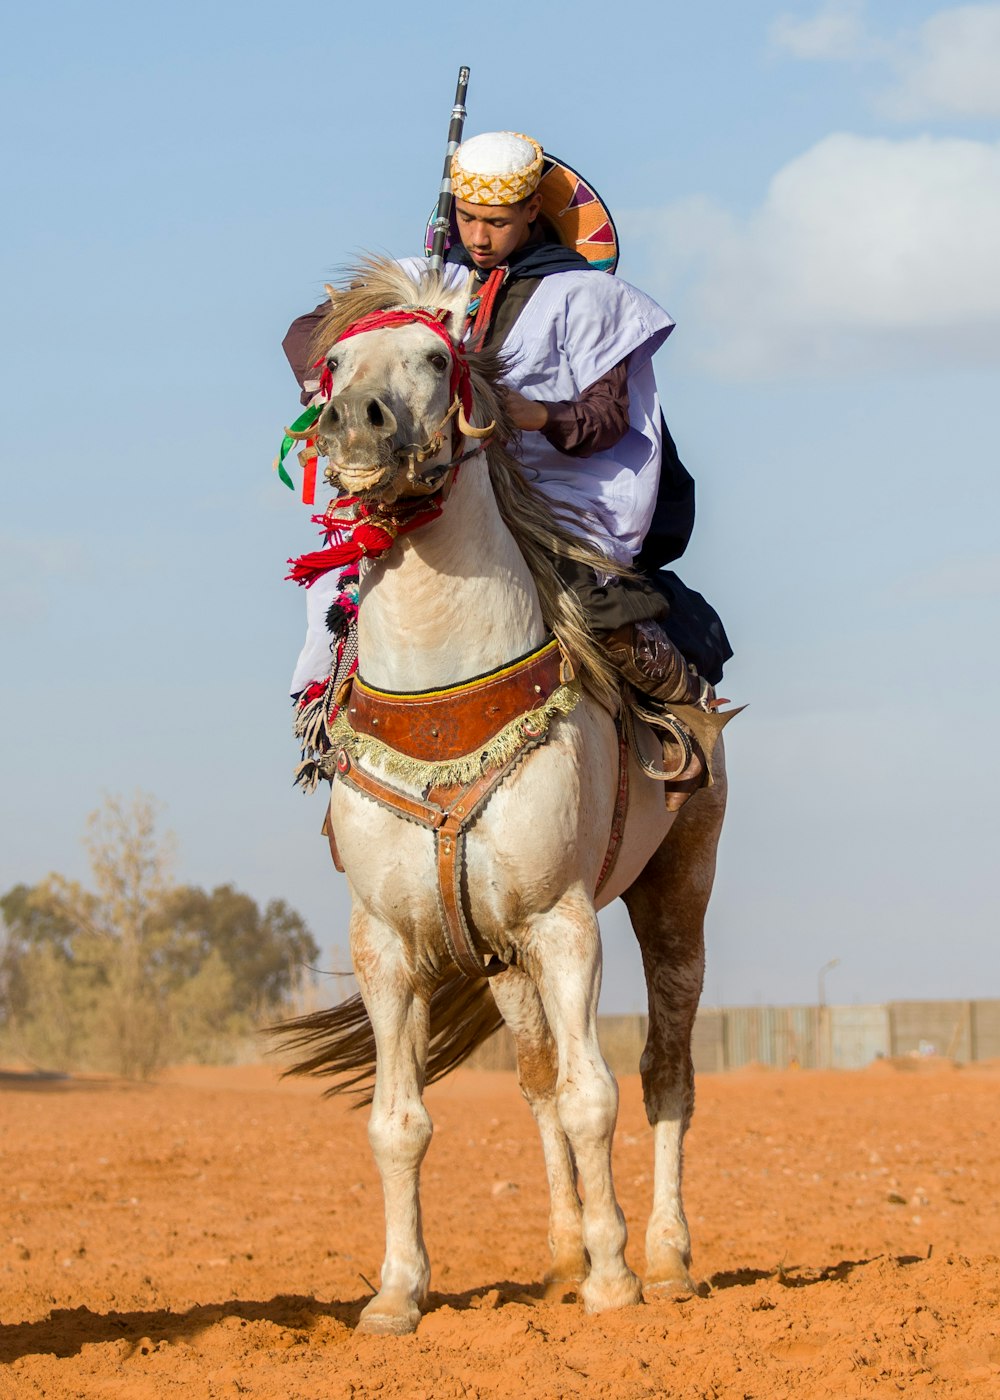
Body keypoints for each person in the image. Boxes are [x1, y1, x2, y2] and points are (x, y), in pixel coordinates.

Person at [282, 130, 730, 707]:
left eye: (496, 221)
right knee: (334, 597)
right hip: (427, 473)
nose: (478, 237)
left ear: (532, 211)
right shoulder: (416, 281)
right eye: (467, 219)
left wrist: (537, 414)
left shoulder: (586, 297)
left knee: (591, 610)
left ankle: (675, 728)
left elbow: (609, 418)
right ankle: (332, 732)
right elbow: (305, 334)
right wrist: (347, 375)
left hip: (553, 492)